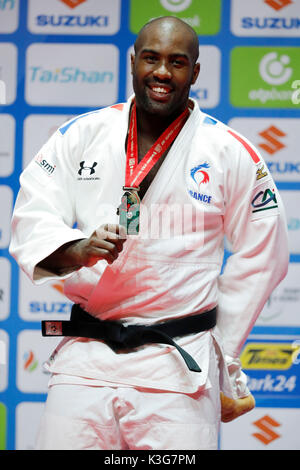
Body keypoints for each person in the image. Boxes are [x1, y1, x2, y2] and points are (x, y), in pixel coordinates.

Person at [9, 16, 289, 450]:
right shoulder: (83, 134)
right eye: (151, 58)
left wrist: (222, 353)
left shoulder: (229, 151)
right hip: (87, 360)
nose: (162, 72)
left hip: (178, 368)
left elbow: (264, 254)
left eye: (177, 62)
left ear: (195, 73)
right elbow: (31, 217)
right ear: (133, 62)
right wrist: (77, 249)